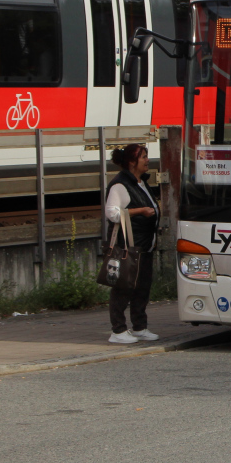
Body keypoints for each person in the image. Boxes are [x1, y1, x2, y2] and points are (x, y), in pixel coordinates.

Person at [104, 144, 160, 344]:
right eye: (143, 157)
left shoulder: (141, 183)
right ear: (131, 162)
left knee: (142, 287)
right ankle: (118, 331)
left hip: (144, 245)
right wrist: (140, 211)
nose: (147, 160)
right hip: (127, 246)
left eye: (146, 156)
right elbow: (112, 213)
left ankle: (139, 327)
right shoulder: (120, 184)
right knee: (123, 288)